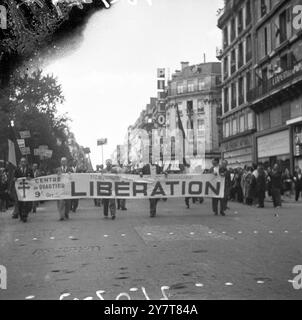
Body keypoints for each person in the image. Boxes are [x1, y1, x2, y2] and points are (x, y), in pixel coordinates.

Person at [14, 157, 34, 222]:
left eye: (24, 162)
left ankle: (25, 215)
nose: (23, 163)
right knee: (20, 203)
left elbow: (33, 178)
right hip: (20, 189)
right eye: (22, 162)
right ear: (20, 162)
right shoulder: (17, 170)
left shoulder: (30, 170)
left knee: (27, 203)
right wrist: (14, 179)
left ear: (26, 163)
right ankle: (21, 215)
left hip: (27, 189)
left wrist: (30, 178)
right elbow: (14, 177)